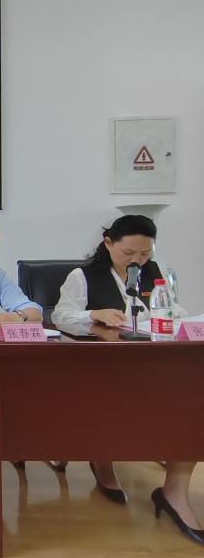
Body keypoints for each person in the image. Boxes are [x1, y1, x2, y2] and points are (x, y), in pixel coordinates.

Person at [52, 214, 202, 544]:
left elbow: (175, 312)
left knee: (192, 396)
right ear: (108, 243)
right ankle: (102, 461)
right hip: (103, 367)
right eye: (129, 252)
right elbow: (60, 316)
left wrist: (167, 315)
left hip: (154, 363)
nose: (137, 260)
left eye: (145, 254)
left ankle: (175, 491)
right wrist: (93, 314)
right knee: (110, 400)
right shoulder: (83, 275)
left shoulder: (156, 273)